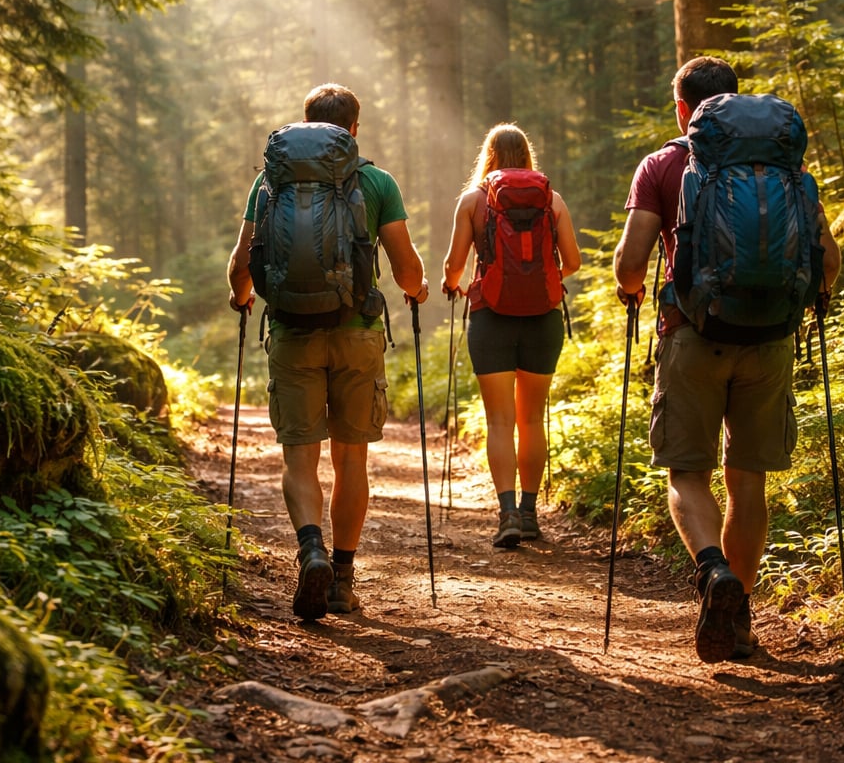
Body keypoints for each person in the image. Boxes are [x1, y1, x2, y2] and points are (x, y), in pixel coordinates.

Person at [612, 55, 841, 663]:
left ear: (683, 109)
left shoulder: (662, 165)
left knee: (686, 471)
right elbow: (827, 256)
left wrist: (632, 290)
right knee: (749, 480)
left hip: (693, 336)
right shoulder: (785, 164)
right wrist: (812, 299)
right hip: (769, 339)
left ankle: (712, 571)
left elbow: (631, 261)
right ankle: (740, 619)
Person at [227, 83, 429, 622]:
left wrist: (241, 296)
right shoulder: (376, 181)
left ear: (306, 125)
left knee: (300, 457)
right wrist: (417, 289)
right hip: (357, 331)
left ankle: (310, 547)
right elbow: (407, 270)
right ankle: (341, 577)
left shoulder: (270, 182)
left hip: (292, 333)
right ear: (353, 129)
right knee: (350, 458)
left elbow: (240, 269)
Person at [441, 124, 582, 548]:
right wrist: (540, 280)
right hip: (543, 318)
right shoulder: (551, 201)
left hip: (491, 318)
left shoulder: (472, 202)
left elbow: (453, 266)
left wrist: (459, 285)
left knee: (500, 421)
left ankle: (506, 517)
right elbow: (571, 262)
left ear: (488, 156)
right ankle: (530, 511)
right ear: (527, 157)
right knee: (532, 418)